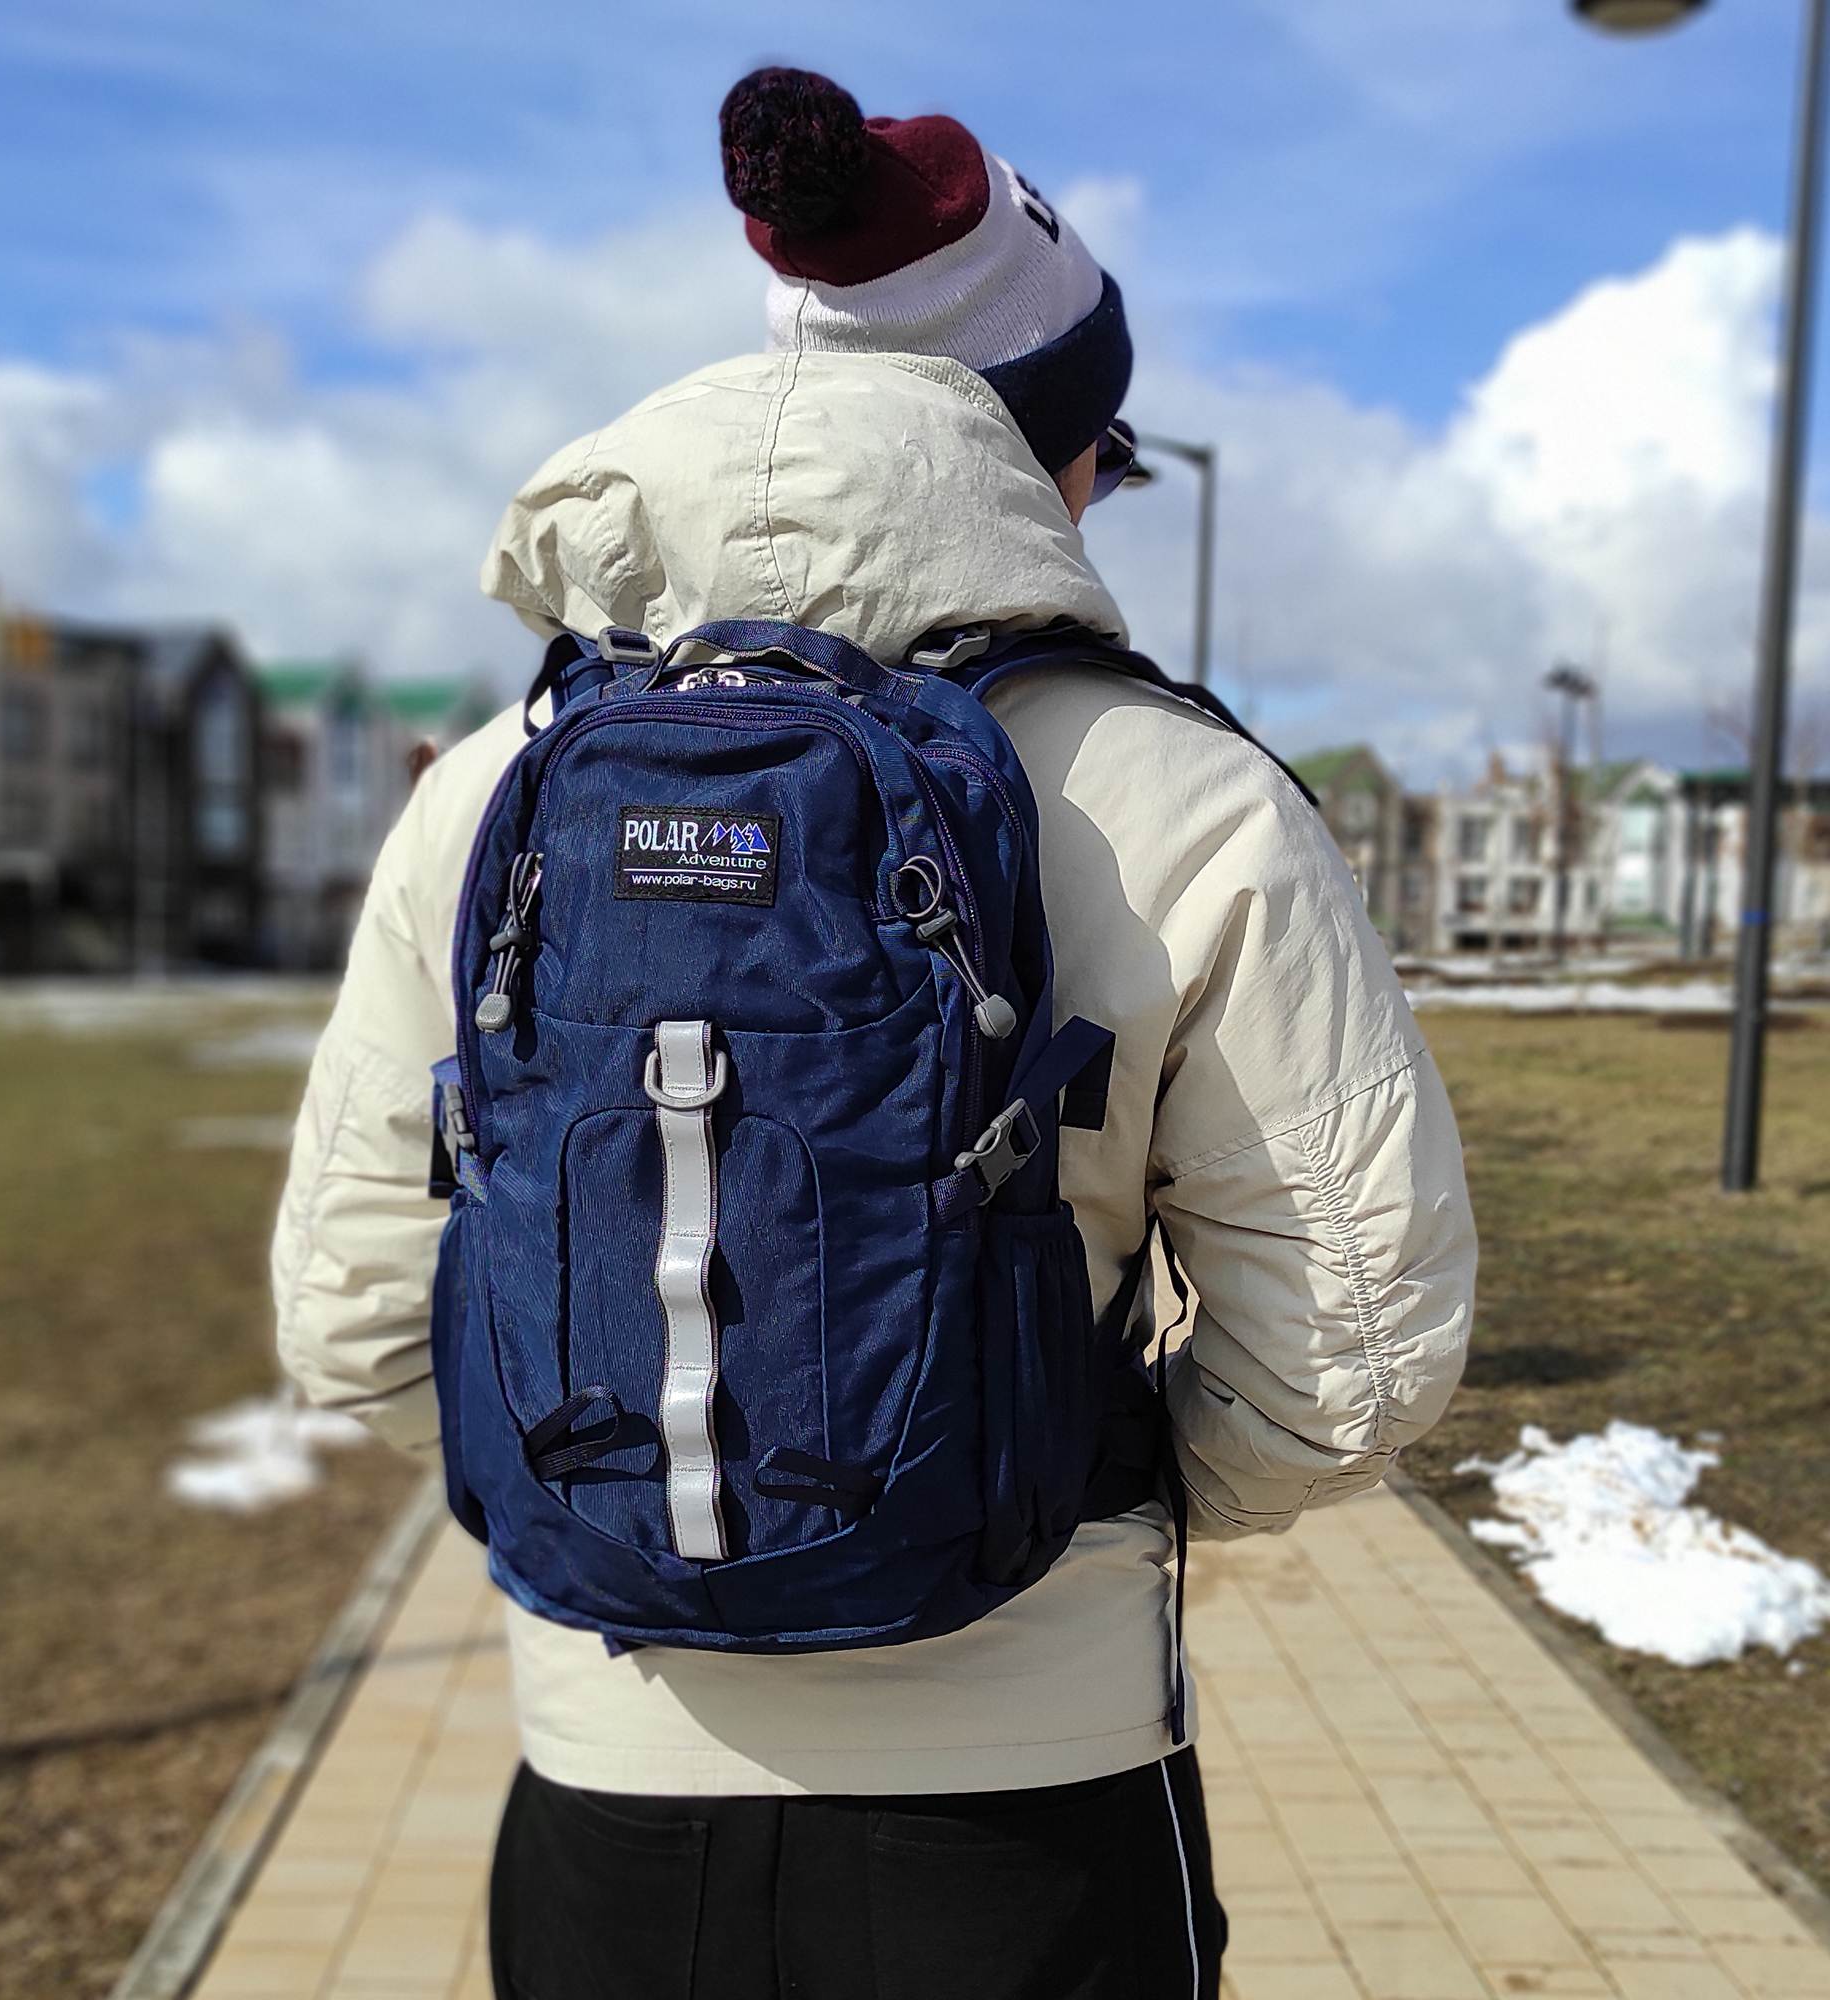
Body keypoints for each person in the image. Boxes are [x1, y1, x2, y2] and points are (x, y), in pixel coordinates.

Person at [274, 66, 1476, 2000]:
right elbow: (1357, 1347)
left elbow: (348, 1316)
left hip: (605, 1803)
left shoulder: (498, 787)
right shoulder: (1183, 796)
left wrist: (626, 1514)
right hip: (1032, 1805)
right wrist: (1067, 1482)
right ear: (1051, 455)